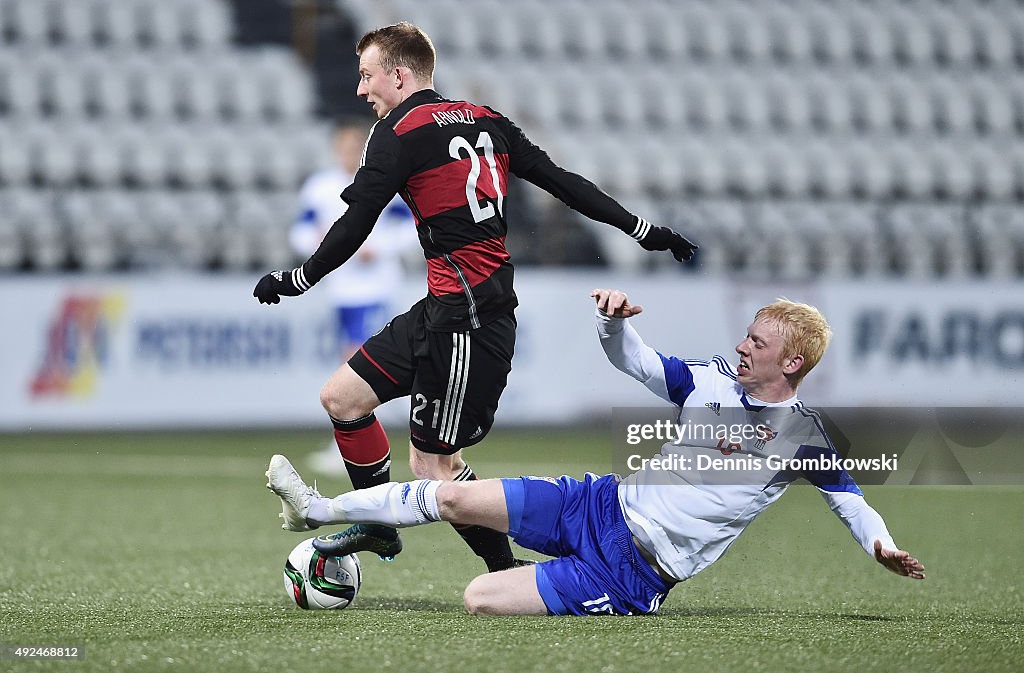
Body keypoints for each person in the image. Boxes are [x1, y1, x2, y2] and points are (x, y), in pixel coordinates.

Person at [253, 22, 698, 573]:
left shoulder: (398, 132)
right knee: (342, 399)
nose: (361, 89)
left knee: (435, 468)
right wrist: (642, 229)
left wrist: (297, 278)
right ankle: (378, 527)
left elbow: (355, 223)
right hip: (444, 307)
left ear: (400, 73)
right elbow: (564, 182)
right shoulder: (487, 119)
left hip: (469, 319)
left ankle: (507, 571)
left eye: (368, 76)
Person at [266, 288, 926, 616]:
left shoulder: (802, 438)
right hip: (597, 502)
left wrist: (880, 545)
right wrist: (613, 322)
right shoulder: (711, 379)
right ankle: (318, 508)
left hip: (633, 571)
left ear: (793, 360)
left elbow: (852, 501)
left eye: (758, 340)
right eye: (748, 334)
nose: (744, 344)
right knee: (454, 493)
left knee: (478, 596)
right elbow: (634, 361)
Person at [289, 117, 418, 475]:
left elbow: (411, 225)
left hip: (376, 286)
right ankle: (358, 440)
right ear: (335, 149)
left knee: (357, 360)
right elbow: (300, 231)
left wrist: (379, 248)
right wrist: (319, 243)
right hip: (341, 289)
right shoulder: (321, 187)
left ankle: (351, 442)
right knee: (353, 361)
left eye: (354, 147)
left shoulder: (383, 181)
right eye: (343, 147)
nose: (349, 153)